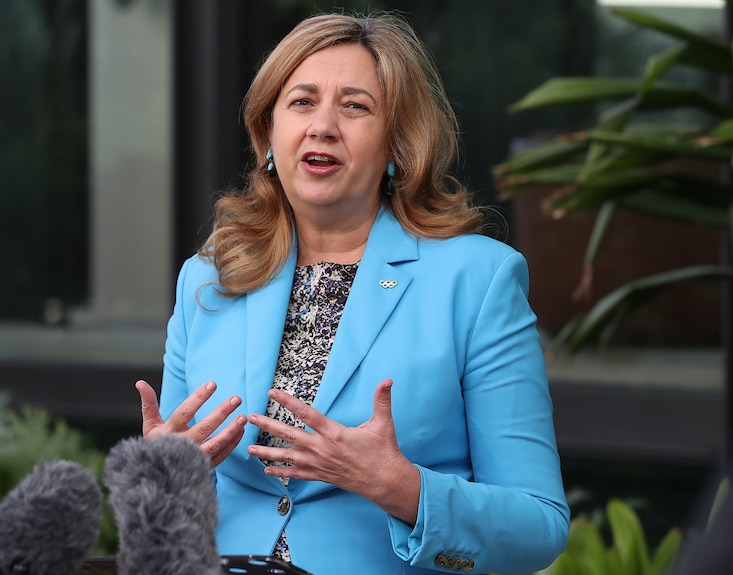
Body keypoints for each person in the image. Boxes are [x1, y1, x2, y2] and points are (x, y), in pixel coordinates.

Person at [135, 12, 569, 575]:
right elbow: (166, 518)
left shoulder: (478, 280)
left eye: (355, 106)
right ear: (269, 137)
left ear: (397, 145)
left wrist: (401, 488)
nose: (322, 126)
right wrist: (158, 481)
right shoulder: (208, 278)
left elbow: (539, 525)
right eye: (301, 102)